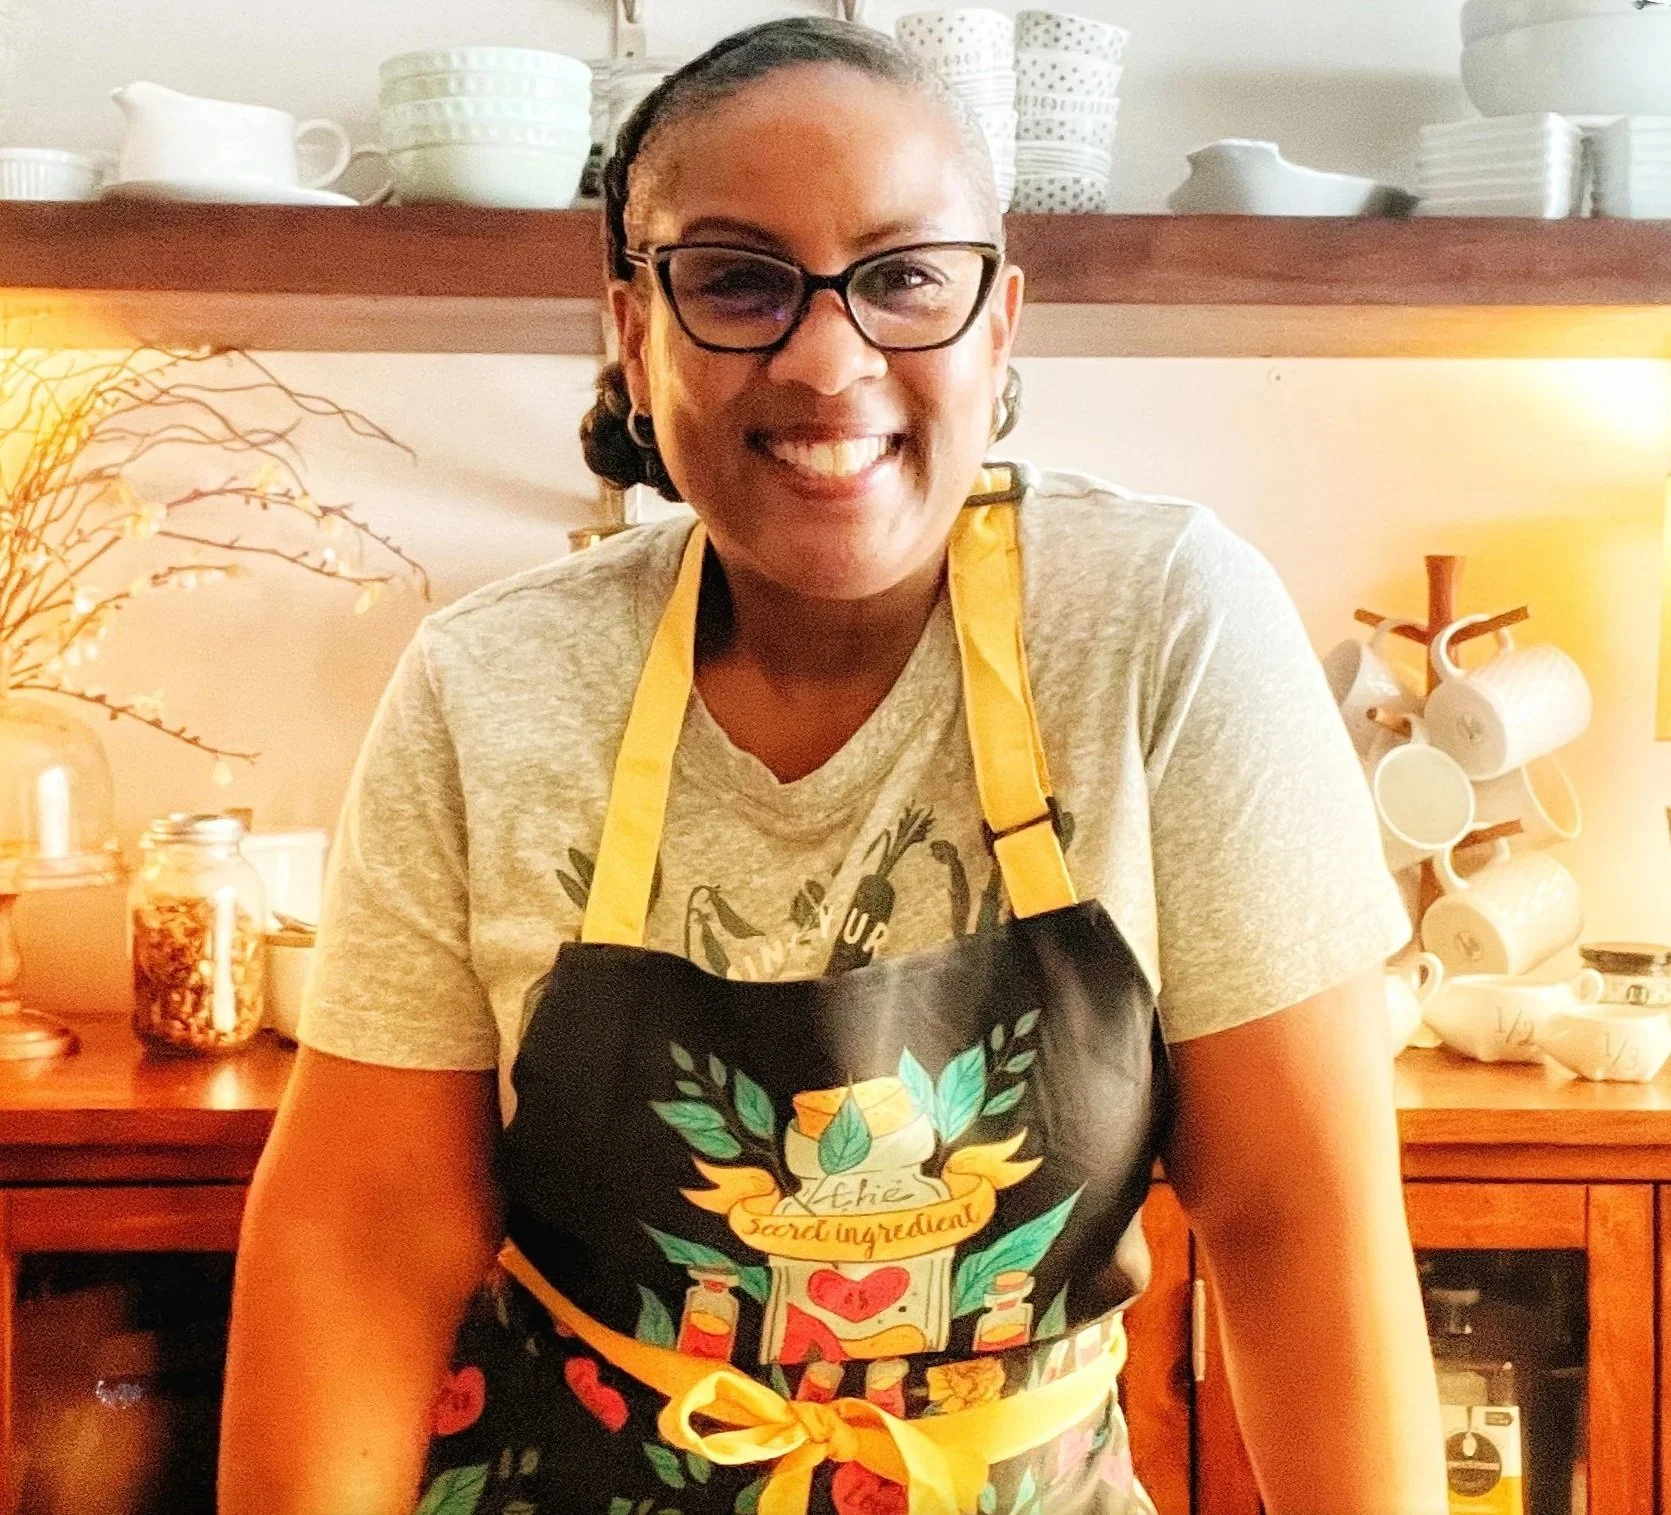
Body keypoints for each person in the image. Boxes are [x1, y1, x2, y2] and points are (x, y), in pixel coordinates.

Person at [219, 18, 1446, 1515]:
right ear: (634, 326)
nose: (823, 357)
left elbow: (1294, 1216)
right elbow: (367, 1229)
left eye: (904, 279)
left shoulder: (1161, 627)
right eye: (735, 280)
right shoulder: (491, 681)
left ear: (998, 324)